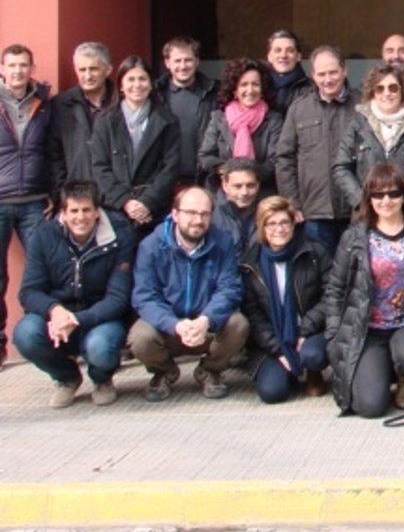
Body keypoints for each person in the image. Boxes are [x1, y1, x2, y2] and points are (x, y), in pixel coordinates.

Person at [326, 165, 404, 417]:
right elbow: (336, 289)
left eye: (393, 193)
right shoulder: (355, 236)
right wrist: (334, 335)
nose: (386, 201)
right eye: (378, 194)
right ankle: (386, 374)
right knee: (369, 407)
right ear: (368, 198)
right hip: (369, 329)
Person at [14, 180, 134, 408]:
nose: (81, 217)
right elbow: (29, 291)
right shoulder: (42, 235)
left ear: (97, 211)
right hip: (58, 316)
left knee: (100, 347)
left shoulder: (120, 235)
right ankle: (67, 378)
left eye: (87, 210)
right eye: (74, 211)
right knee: (25, 334)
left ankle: (102, 379)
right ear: (63, 213)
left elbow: (118, 298)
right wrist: (54, 310)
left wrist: (76, 320)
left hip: (102, 317)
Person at [128, 186, 249, 401]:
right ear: (175, 214)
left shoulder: (222, 243)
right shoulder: (151, 246)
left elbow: (229, 289)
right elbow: (145, 297)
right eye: (191, 213)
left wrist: (206, 319)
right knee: (140, 337)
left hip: (207, 326)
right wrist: (174, 324)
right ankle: (164, 371)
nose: (198, 220)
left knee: (238, 324)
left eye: (204, 214)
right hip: (168, 326)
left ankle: (209, 370)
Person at [239, 195, 332, 403]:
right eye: (271, 224)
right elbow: (253, 315)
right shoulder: (250, 263)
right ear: (262, 227)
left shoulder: (313, 251)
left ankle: (312, 371)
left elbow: (332, 294)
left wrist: (305, 329)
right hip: (272, 338)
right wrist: (278, 349)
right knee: (272, 393)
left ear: (293, 224)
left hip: (311, 330)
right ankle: (288, 370)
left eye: (284, 222)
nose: (279, 229)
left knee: (313, 355)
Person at [276, 44, 359, 257]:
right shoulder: (299, 108)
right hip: (314, 212)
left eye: (333, 72)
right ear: (313, 75)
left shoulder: (363, 107)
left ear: (344, 70)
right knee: (318, 271)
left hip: (356, 210)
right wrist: (293, 203)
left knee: (355, 271)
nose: (327, 79)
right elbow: (284, 159)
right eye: (321, 74)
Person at [0, 44, 54, 365]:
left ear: (32, 69)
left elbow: (53, 150)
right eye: (12, 65)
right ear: (2, 69)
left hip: (35, 201)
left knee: (42, 272)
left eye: (23, 65)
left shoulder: (44, 104)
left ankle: (41, 339)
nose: (18, 71)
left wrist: (53, 191)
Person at [90, 55, 182, 235]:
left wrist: (147, 202)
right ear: (121, 85)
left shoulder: (167, 121)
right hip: (116, 209)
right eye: (130, 79)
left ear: (151, 83)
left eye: (142, 79)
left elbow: (171, 167)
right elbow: (100, 167)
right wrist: (125, 202)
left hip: (154, 209)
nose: (137, 85)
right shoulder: (105, 121)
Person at [332, 63, 404, 210]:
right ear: (372, 92)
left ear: (402, 91)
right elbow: (341, 167)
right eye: (380, 88)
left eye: (393, 88)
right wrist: (361, 200)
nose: (387, 93)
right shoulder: (358, 125)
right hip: (367, 214)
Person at [198, 58, 283, 192]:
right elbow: (205, 156)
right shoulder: (219, 118)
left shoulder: (274, 120)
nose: (250, 90)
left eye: (255, 84)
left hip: (261, 191)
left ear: (263, 89)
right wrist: (228, 170)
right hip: (222, 191)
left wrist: (249, 175)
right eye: (244, 84)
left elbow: (276, 159)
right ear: (234, 90)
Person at [48, 42, 116, 198]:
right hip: (76, 197)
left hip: (115, 197)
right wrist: (62, 193)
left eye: (94, 69)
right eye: (82, 70)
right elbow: (53, 154)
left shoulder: (121, 103)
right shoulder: (61, 105)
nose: (88, 76)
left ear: (108, 70)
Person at [155, 36, 219, 186]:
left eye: (188, 60)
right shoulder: (155, 94)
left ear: (197, 61)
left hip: (204, 179)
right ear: (167, 63)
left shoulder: (214, 93)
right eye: (177, 61)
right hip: (164, 181)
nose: (183, 66)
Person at [211, 157, 262, 255]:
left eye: (250, 185)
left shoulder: (268, 211)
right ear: (225, 185)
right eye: (238, 186)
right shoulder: (209, 212)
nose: (244, 192)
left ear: (258, 185)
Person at [265, 29, 312, 113]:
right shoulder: (260, 87)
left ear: (298, 56)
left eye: (290, 50)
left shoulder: (312, 89)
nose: (283, 55)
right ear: (269, 57)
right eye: (278, 50)